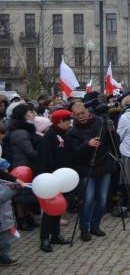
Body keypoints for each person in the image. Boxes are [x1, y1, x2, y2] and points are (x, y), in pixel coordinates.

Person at [66, 102, 118, 242]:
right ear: (74, 116)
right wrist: (87, 144)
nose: (81, 116)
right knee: (87, 200)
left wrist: (112, 130)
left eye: (83, 113)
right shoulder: (72, 132)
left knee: (102, 200)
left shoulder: (101, 123)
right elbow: (74, 153)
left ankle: (95, 225)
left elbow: (115, 142)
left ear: (87, 111)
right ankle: (84, 228)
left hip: (104, 167)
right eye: (77, 115)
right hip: (86, 170)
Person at [37, 109, 73, 252]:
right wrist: (46, 177)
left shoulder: (63, 133)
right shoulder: (50, 135)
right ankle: (44, 238)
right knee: (49, 209)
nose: (69, 123)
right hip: (50, 178)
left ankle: (56, 235)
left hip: (61, 177)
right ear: (60, 121)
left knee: (58, 207)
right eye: (67, 120)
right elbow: (44, 158)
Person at [6, 103, 40, 231]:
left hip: (25, 164)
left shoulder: (24, 129)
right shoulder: (20, 132)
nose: (32, 114)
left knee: (26, 193)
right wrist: (40, 154)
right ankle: (21, 219)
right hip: (21, 165)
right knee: (21, 195)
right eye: (29, 112)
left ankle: (28, 217)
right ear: (23, 115)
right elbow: (29, 152)